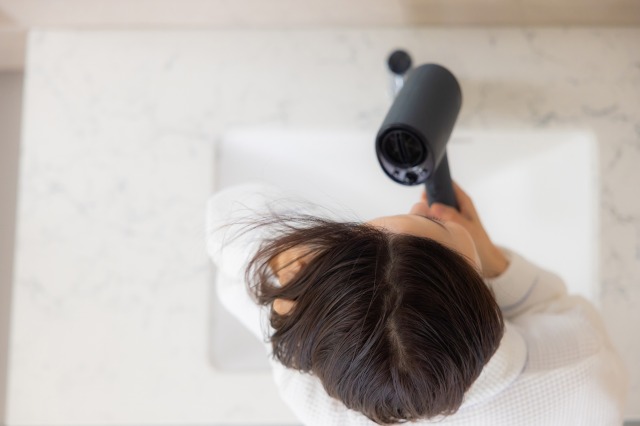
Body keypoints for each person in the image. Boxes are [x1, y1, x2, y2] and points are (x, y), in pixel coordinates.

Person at [205, 182, 628, 425]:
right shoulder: (581, 360)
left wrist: (289, 290)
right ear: (483, 300)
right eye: (433, 225)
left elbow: (225, 221)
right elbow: (549, 302)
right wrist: (492, 258)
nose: (415, 207)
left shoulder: (316, 401)